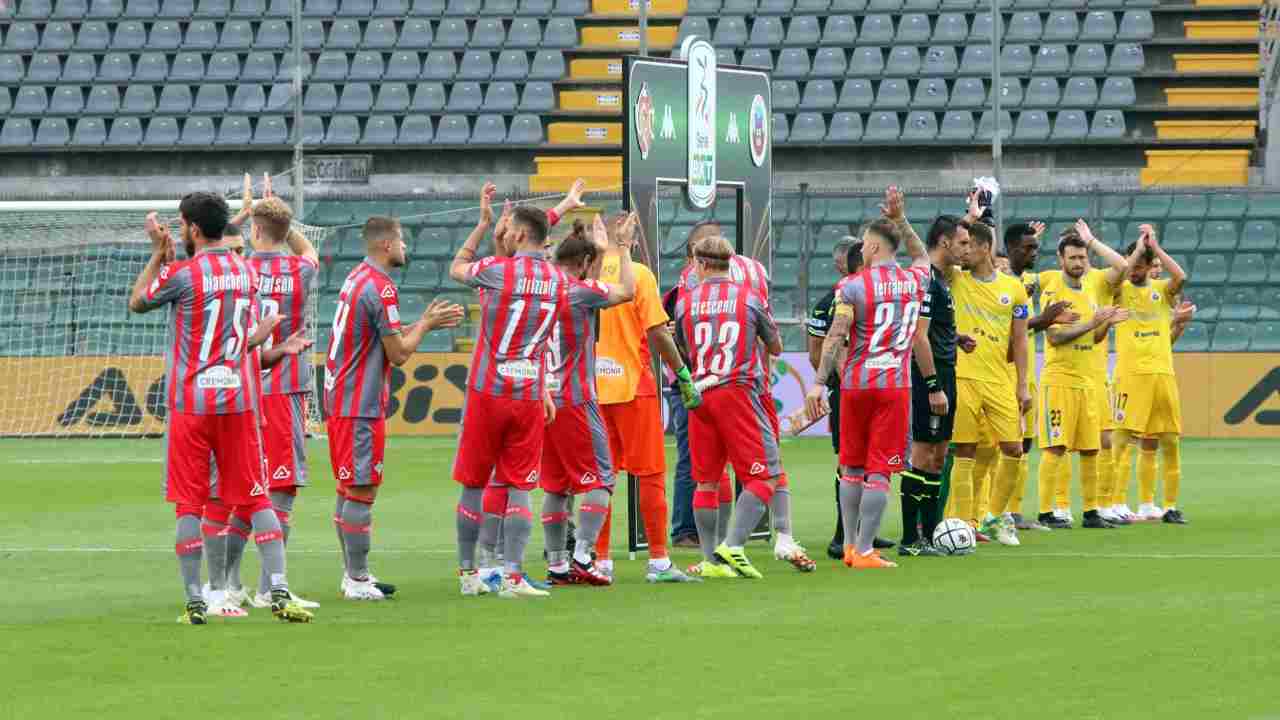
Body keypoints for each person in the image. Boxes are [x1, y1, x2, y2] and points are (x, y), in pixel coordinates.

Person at [127, 193, 313, 624]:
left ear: (192, 229)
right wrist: (263, 340)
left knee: (190, 505)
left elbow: (137, 302)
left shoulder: (183, 275)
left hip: (192, 405)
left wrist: (158, 256)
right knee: (255, 496)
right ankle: (279, 590)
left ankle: (197, 600)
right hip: (239, 401)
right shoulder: (247, 273)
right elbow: (233, 341)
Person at [328, 215, 465, 600]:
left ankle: (353, 576)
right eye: (402, 240)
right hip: (360, 403)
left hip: (344, 398)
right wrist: (427, 324)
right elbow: (400, 354)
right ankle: (356, 580)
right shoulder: (381, 288)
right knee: (361, 490)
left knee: (349, 488)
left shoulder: (356, 277)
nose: (406, 247)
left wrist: (423, 324)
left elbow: (385, 340)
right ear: (386, 245)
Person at [449, 186, 572, 598]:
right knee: (521, 485)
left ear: (517, 235)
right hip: (529, 393)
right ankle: (514, 575)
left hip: (487, 389)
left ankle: (468, 575)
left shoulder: (496, 271)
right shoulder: (559, 279)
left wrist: (483, 226)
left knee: (473, 483)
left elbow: (458, 267)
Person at [675, 221, 813, 569]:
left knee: (706, 479)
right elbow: (777, 346)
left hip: (700, 393)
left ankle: (710, 560)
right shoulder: (750, 296)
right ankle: (736, 544)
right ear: (730, 262)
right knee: (765, 473)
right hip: (739, 390)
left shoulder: (685, 300)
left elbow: (680, 346)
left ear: (701, 263)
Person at [805, 208, 931, 570]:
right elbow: (922, 255)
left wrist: (817, 384)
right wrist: (903, 219)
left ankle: (847, 546)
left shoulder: (852, 287)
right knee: (880, 471)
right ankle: (863, 550)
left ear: (873, 247)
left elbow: (836, 335)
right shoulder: (915, 280)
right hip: (894, 386)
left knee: (851, 467)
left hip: (855, 385)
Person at [591, 214, 701, 583]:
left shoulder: (587, 273)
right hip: (634, 384)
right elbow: (657, 332)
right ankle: (658, 560)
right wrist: (683, 373)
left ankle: (600, 559)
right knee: (651, 473)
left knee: (602, 477)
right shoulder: (637, 274)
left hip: (595, 385)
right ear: (630, 237)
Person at [540, 216, 637, 586]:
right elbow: (624, 291)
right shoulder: (580, 292)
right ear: (582, 264)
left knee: (556, 486)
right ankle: (583, 556)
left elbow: (585, 276)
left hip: (543, 397)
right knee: (601, 479)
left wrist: (595, 250)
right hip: (576, 398)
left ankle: (558, 565)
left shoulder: (542, 285)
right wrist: (622, 247)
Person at [1032, 223, 1132, 530]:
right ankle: (1047, 511)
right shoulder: (1054, 291)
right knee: (1056, 447)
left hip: (1088, 381)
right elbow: (1055, 338)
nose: (1078, 263)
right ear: (1061, 259)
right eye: (1073, 257)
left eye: (1082, 257)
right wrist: (1092, 322)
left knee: (1091, 448)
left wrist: (1105, 324)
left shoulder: (1090, 288)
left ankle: (1091, 512)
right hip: (1060, 379)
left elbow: (1122, 266)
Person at [946, 220, 1032, 547]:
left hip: (999, 380)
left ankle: (995, 516)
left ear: (984, 248)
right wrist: (968, 215)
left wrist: (1022, 385)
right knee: (965, 451)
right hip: (964, 377)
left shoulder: (1014, 289)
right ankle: (964, 524)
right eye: (962, 245)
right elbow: (940, 257)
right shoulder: (957, 279)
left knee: (1013, 448)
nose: (963, 251)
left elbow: (1021, 342)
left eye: (970, 246)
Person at [897, 211, 972, 556]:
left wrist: (955, 338)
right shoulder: (927, 279)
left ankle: (929, 535)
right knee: (923, 453)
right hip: (930, 377)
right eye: (963, 243)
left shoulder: (942, 279)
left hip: (947, 370)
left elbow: (934, 331)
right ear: (944, 242)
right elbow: (918, 336)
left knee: (939, 456)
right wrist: (932, 385)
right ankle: (911, 540)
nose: (967, 250)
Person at [1111, 228, 1189, 524]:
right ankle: (1115, 502)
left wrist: (1155, 246)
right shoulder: (1120, 289)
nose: (1135, 271)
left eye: (1142, 265)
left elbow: (1180, 276)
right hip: (1131, 375)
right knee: (1122, 441)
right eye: (1134, 265)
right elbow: (1120, 272)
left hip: (1162, 373)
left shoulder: (1162, 291)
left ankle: (1167, 505)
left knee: (1169, 441)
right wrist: (1134, 255)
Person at [664, 221, 720, 549]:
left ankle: (702, 528)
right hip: (689, 383)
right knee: (691, 457)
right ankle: (685, 529)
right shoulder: (686, 286)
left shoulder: (710, 285)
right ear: (692, 254)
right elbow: (674, 336)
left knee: (707, 457)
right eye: (708, 242)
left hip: (710, 381)